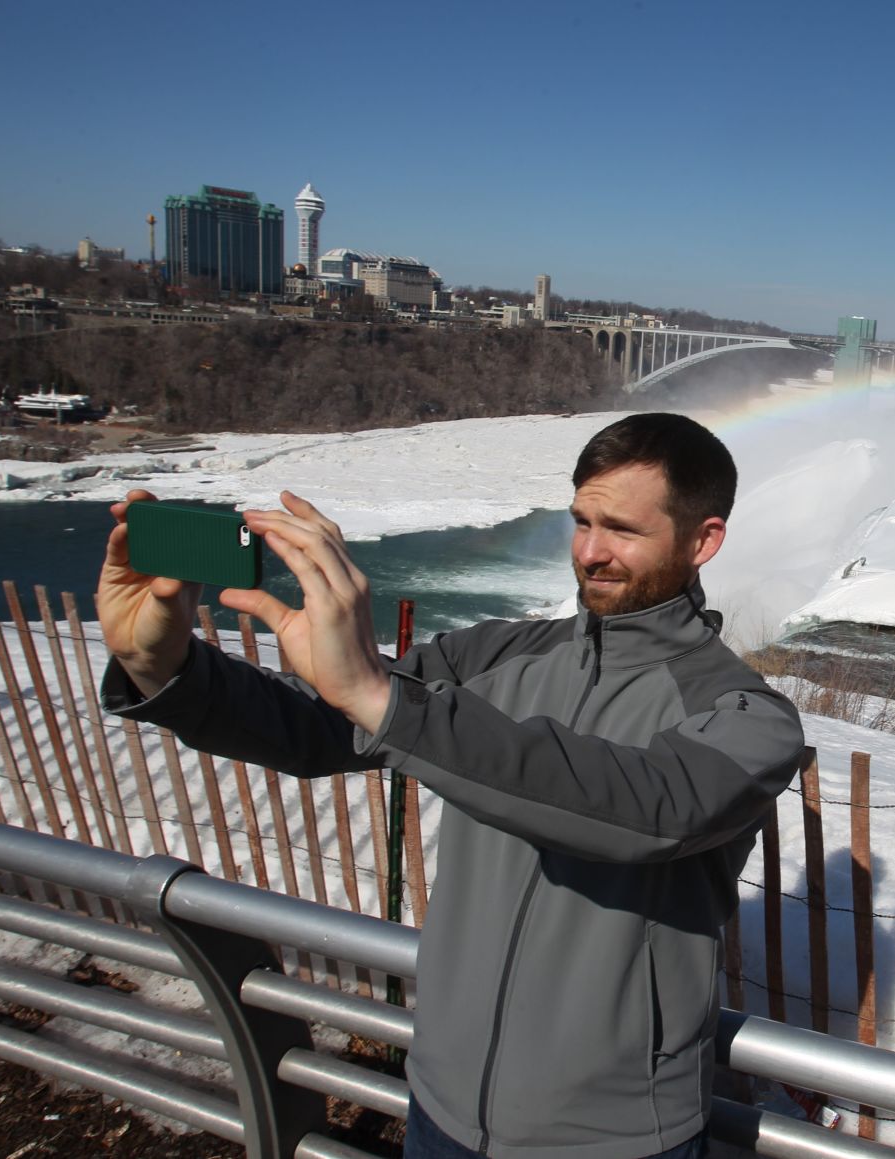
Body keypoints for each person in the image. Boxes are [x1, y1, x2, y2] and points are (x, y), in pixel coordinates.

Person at [96, 413, 807, 1159]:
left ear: (703, 540)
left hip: (615, 1137)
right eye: (580, 521)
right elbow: (319, 725)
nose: (591, 552)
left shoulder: (746, 716)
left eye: (622, 529)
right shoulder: (494, 654)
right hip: (440, 1103)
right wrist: (164, 664)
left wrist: (380, 697)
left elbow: (645, 810)